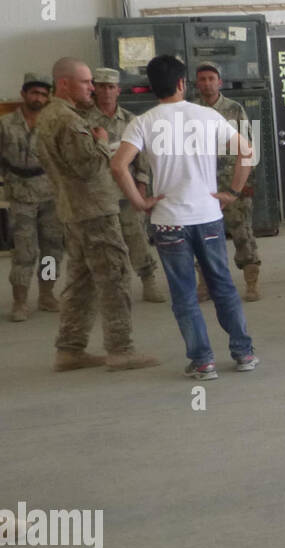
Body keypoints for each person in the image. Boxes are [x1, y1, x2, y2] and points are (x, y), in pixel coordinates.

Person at [111, 54, 258, 380]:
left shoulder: (143, 122)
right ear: (182, 83)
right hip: (207, 215)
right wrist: (233, 193)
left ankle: (203, 361)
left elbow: (118, 165)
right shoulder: (208, 116)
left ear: (152, 86)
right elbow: (247, 151)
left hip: (168, 220)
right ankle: (243, 352)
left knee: (184, 293)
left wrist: (139, 201)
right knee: (223, 285)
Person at [36, 58, 158, 372]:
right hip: (94, 211)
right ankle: (121, 349)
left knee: (81, 280)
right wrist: (102, 143)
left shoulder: (48, 115)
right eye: (86, 82)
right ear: (64, 84)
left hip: (74, 209)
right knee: (114, 275)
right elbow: (88, 166)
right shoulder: (68, 120)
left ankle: (70, 349)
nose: (91, 88)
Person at [81, 67, 167, 305]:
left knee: (137, 236)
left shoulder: (131, 120)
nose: (106, 92)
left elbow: (142, 158)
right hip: (97, 194)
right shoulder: (83, 121)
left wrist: (141, 186)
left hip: (126, 190)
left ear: (118, 90)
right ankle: (111, 288)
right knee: (103, 242)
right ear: (95, 89)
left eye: (111, 87)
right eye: (101, 87)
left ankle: (148, 281)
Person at [192, 62, 261, 302]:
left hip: (233, 184)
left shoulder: (234, 109)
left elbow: (248, 148)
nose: (207, 83)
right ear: (197, 83)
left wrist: (244, 183)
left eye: (211, 79)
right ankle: (205, 283)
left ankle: (251, 281)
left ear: (219, 82)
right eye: (202, 79)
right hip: (203, 186)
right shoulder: (191, 111)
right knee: (203, 237)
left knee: (243, 234)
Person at [0, 73, 63, 321]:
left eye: (43, 94)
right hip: (20, 193)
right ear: (24, 94)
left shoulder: (53, 123)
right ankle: (20, 300)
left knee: (51, 249)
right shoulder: (5, 124)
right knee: (24, 250)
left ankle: (46, 294)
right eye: (34, 93)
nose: (38, 98)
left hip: (50, 192)